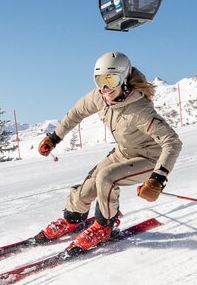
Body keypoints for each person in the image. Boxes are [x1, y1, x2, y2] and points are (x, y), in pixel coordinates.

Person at [35, 51, 182, 250]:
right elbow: (76, 112)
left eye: (112, 80)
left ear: (125, 79)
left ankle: (105, 227)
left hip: (150, 158)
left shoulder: (139, 109)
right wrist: (54, 137)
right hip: (124, 151)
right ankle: (72, 219)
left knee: (106, 178)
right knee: (86, 189)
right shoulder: (100, 97)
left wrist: (159, 177)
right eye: (100, 81)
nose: (105, 88)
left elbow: (172, 142)